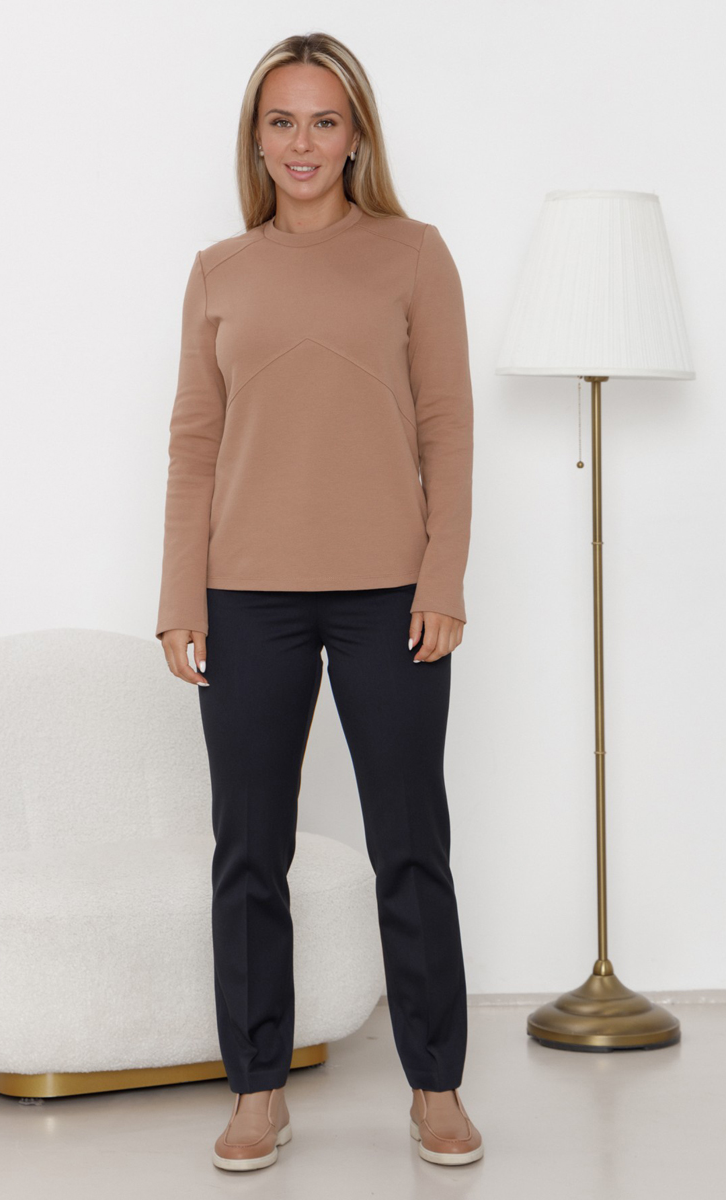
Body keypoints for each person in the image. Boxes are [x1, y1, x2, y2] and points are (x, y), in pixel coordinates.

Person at [155, 31, 483, 1173]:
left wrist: (442, 575)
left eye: (324, 121)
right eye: (282, 122)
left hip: (391, 593)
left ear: (356, 137)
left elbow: (446, 424)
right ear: (258, 139)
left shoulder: (413, 254)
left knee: (411, 844)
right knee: (248, 849)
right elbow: (194, 443)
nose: (303, 143)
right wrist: (179, 596)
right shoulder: (218, 271)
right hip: (245, 595)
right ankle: (257, 1090)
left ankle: (436, 1086)